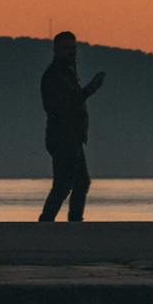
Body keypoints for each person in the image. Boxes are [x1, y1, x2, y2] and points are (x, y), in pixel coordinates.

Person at [38, 31, 105, 222]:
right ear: (56, 50)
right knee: (64, 185)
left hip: (72, 137)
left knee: (79, 183)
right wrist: (89, 90)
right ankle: (48, 222)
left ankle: (73, 222)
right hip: (63, 137)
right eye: (67, 48)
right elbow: (63, 104)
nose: (71, 52)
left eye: (73, 48)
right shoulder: (54, 75)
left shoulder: (68, 72)